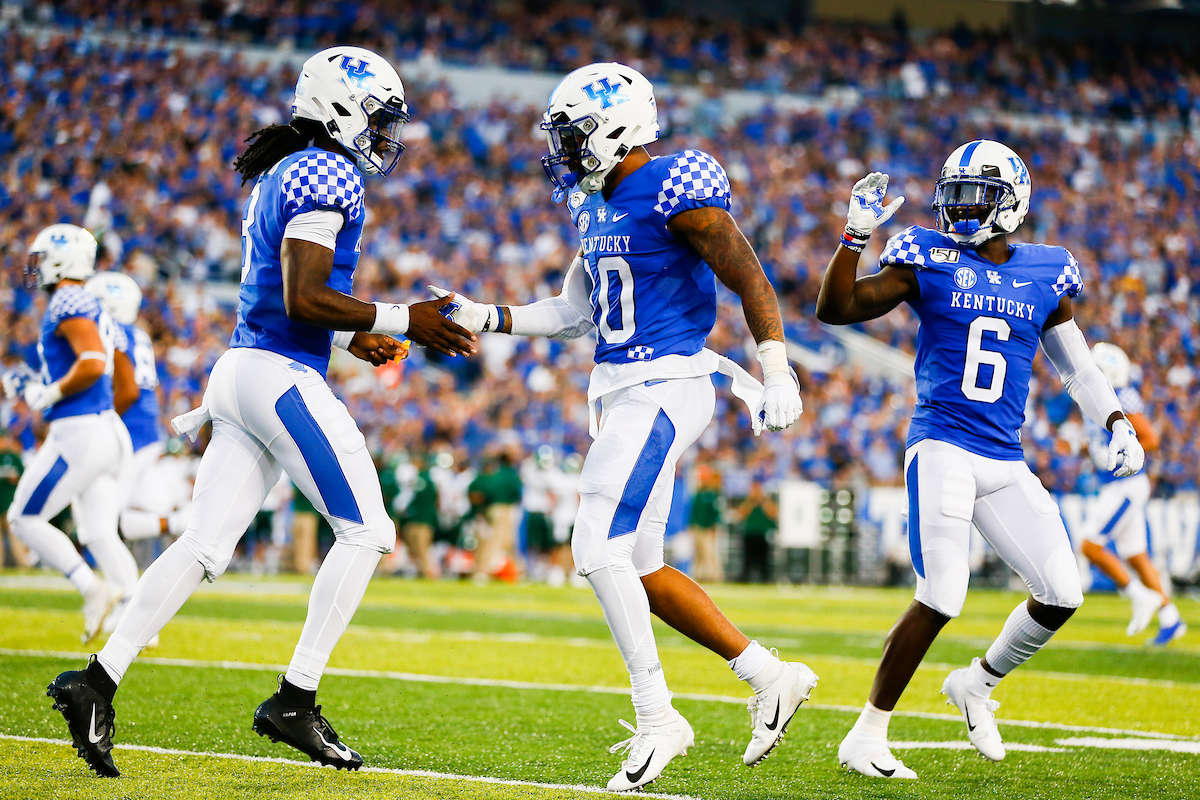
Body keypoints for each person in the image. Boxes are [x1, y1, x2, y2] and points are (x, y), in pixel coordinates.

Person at [46, 45, 475, 779]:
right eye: (379, 117)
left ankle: (96, 681)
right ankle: (295, 698)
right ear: (341, 107)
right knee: (368, 531)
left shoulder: (289, 168)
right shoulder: (327, 169)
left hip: (246, 372)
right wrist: (407, 318)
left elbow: (293, 291)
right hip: (276, 373)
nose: (383, 135)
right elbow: (302, 294)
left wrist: (352, 333)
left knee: (204, 546)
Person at [430, 62, 816, 790]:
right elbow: (578, 313)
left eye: (572, 135)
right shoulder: (593, 202)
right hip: (622, 389)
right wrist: (488, 316)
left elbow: (749, 275)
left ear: (617, 126)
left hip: (666, 383)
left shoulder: (674, 183)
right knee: (640, 566)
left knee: (594, 545)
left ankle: (657, 716)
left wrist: (777, 370)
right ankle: (770, 674)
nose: (564, 150)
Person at [816, 142, 1146, 779]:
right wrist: (855, 236)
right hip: (942, 442)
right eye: (954, 192)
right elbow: (838, 309)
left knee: (1062, 593)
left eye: (976, 195)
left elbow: (1078, 368)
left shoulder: (1046, 272)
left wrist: (1116, 422)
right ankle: (867, 733)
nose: (959, 207)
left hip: (1004, 456)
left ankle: (977, 682)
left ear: (1013, 202)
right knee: (941, 594)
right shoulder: (926, 258)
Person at [3, 224, 139, 643]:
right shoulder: (85, 299)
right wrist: (35, 384)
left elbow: (95, 361)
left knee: (23, 518)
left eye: (42, 258)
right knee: (98, 530)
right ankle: (135, 617)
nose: (37, 267)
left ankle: (90, 587)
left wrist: (51, 391)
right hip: (98, 427)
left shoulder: (68, 298)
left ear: (63, 259)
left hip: (80, 431)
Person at [1080, 343, 1185, 644]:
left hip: (1126, 485)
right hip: (1118, 484)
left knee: (1089, 546)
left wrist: (1118, 454)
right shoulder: (1099, 396)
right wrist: (1091, 449)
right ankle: (1171, 618)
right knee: (1136, 557)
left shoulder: (1121, 394)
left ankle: (1140, 596)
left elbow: (1149, 439)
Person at [688, 465, 723, 583]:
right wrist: (691, 524)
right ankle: (697, 576)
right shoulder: (698, 494)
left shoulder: (713, 494)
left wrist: (714, 526)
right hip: (697, 527)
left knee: (709, 553)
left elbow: (716, 513)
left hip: (707, 528)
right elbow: (693, 511)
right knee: (698, 554)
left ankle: (712, 576)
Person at [0, 430, 28, 567]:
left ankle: (24, 565)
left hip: (10, 504)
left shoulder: (14, 457)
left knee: (15, 536)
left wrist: (15, 479)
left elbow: (25, 478)